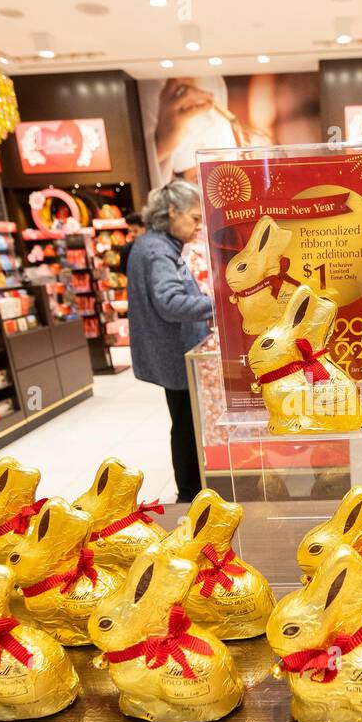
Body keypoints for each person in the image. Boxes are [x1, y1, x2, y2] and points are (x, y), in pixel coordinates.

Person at [125, 179, 215, 503]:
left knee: (184, 422)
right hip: (175, 352)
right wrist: (217, 303)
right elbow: (170, 302)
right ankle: (190, 494)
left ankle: (192, 489)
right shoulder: (157, 250)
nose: (197, 226)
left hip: (172, 351)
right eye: (194, 218)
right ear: (172, 211)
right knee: (185, 426)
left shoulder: (154, 245)